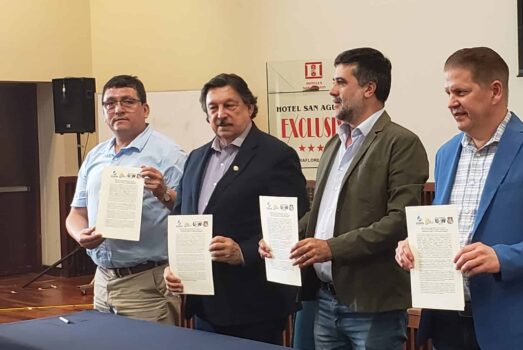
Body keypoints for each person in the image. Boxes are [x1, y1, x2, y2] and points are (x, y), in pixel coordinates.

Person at [395, 47, 523, 350]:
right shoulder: (446, 154)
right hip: (448, 323)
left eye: (461, 91)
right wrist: (412, 244)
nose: (451, 103)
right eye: (447, 92)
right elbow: (441, 223)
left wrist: (502, 258)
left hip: (512, 327)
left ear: (495, 91)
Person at [260, 47, 429, 350]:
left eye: (340, 82)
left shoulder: (401, 143)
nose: (331, 91)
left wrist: (331, 248)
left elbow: (400, 221)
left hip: (372, 305)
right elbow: (321, 213)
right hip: (325, 299)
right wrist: (282, 237)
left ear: (368, 88)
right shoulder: (334, 144)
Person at [163, 73, 308, 345]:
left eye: (230, 105)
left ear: (250, 107)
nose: (220, 114)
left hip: (254, 304)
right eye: (213, 108)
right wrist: (174, 266)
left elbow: (295, 226)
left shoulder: (277, 156)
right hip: (203, 301)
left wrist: (243, 252)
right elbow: (180, 217)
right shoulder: (195, 157)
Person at [66, 75, 186, 325]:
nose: (118, 109)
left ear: (145, 109)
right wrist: (80, 237)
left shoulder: (170, 155)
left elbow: (189, 215)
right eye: (110, 103)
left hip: (148, 283)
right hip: (102, 279)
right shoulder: (96, 156)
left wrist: (164, 192)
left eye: (127, 101)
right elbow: (76, 214)